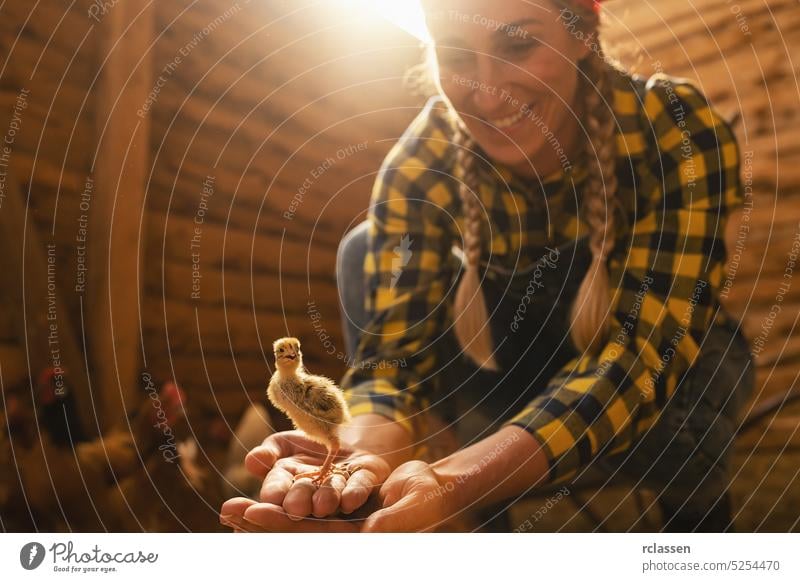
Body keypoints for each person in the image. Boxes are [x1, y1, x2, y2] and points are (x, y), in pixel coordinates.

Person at [220, 0, 754, 532]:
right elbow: (393, 359)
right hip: (502, 384)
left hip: (660, 393)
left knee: (700, 372)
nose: (487, 88)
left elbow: (641, 353)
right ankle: (454, 523)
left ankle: (698, 534)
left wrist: (458, 479)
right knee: (364, 248)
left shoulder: (672, 130)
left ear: (583, 35)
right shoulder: (421, 165)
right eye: (455, 56)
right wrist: (354, 451)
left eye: (518, 45)